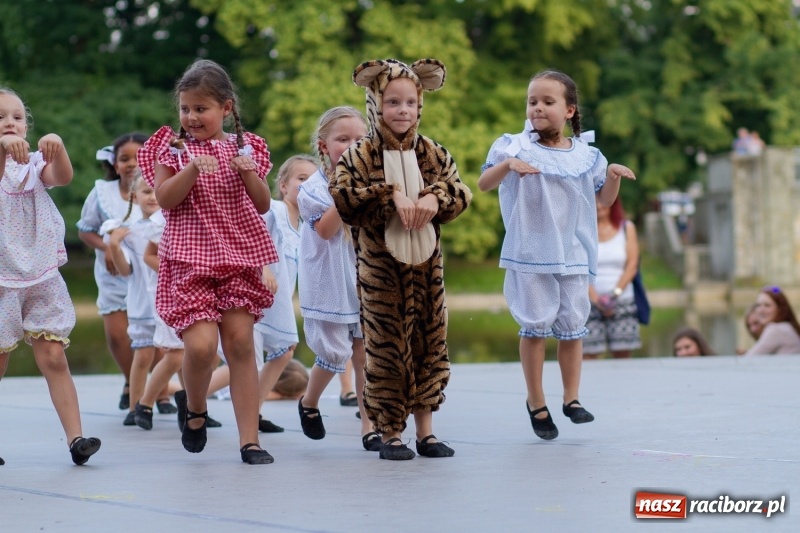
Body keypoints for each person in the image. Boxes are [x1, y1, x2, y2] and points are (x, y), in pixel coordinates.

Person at [477, 69, 635, 440]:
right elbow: (484, 184)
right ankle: (536, 400)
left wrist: (612, 176)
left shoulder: (587, 154)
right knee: (535, 326)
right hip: (531, 251)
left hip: (574, 251)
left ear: (569, 110)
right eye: (532, 101)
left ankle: (571, 398)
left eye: (548, 101)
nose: (537, 107)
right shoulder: (513, 146)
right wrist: (507, 165)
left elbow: (602, 201)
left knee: (572, 327)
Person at [137, 59, 277, 464]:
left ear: (226, 108)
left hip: (238, 256)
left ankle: (249, 441)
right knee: (200, 347)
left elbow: (263, 203)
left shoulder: (246, 147)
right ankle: (195, 409)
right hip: (191, 258)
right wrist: (192, 169)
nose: (191, 117)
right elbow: (165, 199)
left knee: (240, 344)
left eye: (201, 109)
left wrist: (248, 172)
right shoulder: (172, 148)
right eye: (185, 108)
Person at [332, 58, 472, 460]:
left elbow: (459, 191)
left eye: (410, 102)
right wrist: (388, 194)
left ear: (420, 104)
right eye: (393, 102)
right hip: (381, 272)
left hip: (428, 271)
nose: (403, 110)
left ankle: (426, 432)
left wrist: (435, 198)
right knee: (385, 349)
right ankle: (390, 432)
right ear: (376, 102)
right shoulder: (360, 154)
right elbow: (344, 198)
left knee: (430, 344)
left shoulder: (432, 152)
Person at [0, 87, 101, 465]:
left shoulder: (32, 163)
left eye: (17, 117)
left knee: (54, 356)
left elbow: (62, 176)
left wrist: (57, 146)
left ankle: (76, 439)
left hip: (41, 273)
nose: (9, 122)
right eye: (0, 117)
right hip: (2, 278)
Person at [296, 106, 378, 451]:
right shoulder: (312, 189)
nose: (352, 145)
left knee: (365, 353)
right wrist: (350, 188)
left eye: (360, 139)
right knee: (334, 354)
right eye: (343, 139)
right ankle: (309, 401)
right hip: (328, 279)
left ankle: (369, 427)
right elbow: (327, 230)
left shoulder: (375, 177)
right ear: (324, 145)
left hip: (363, 275)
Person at [78, 133, 147, 411]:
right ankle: (131, 383)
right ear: (115, 164)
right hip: (113, 276)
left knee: (151, 335)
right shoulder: (102, 193)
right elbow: (85, 230)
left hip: (148, 277)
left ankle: (156, 391)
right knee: (119, 336)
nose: (131, 164)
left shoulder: (159, 190)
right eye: (124, 159)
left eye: (138, 157)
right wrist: (107, 247)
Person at [105, 174, 162, 427]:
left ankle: (191, 405)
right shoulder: (129, 232)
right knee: (144, 354)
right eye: (147, 191)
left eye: (157, 190)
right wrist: (114, 246)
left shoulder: (175, 225)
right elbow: (125, 270)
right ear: (134, 196)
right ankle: (134, 407)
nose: (153, 197)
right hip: (143, 300)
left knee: (179, 354)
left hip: (172, 299)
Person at [583, 197, 642, 359]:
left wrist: (614, 296)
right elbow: (580, 267)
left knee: (622, 356)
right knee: (587, 355)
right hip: (590, 302)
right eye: (594, 201)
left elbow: (632, 264)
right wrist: (596, 299)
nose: (598, 206)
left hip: (622, 301)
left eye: (602, 201)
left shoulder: (626, 228)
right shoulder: (583, 230)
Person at [744, 287, 800, 355]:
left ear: (780, 308)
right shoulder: (787, 326)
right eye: (758, 305)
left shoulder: (776, 329)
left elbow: (748, 359)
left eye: (767, 305)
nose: (761, 310)